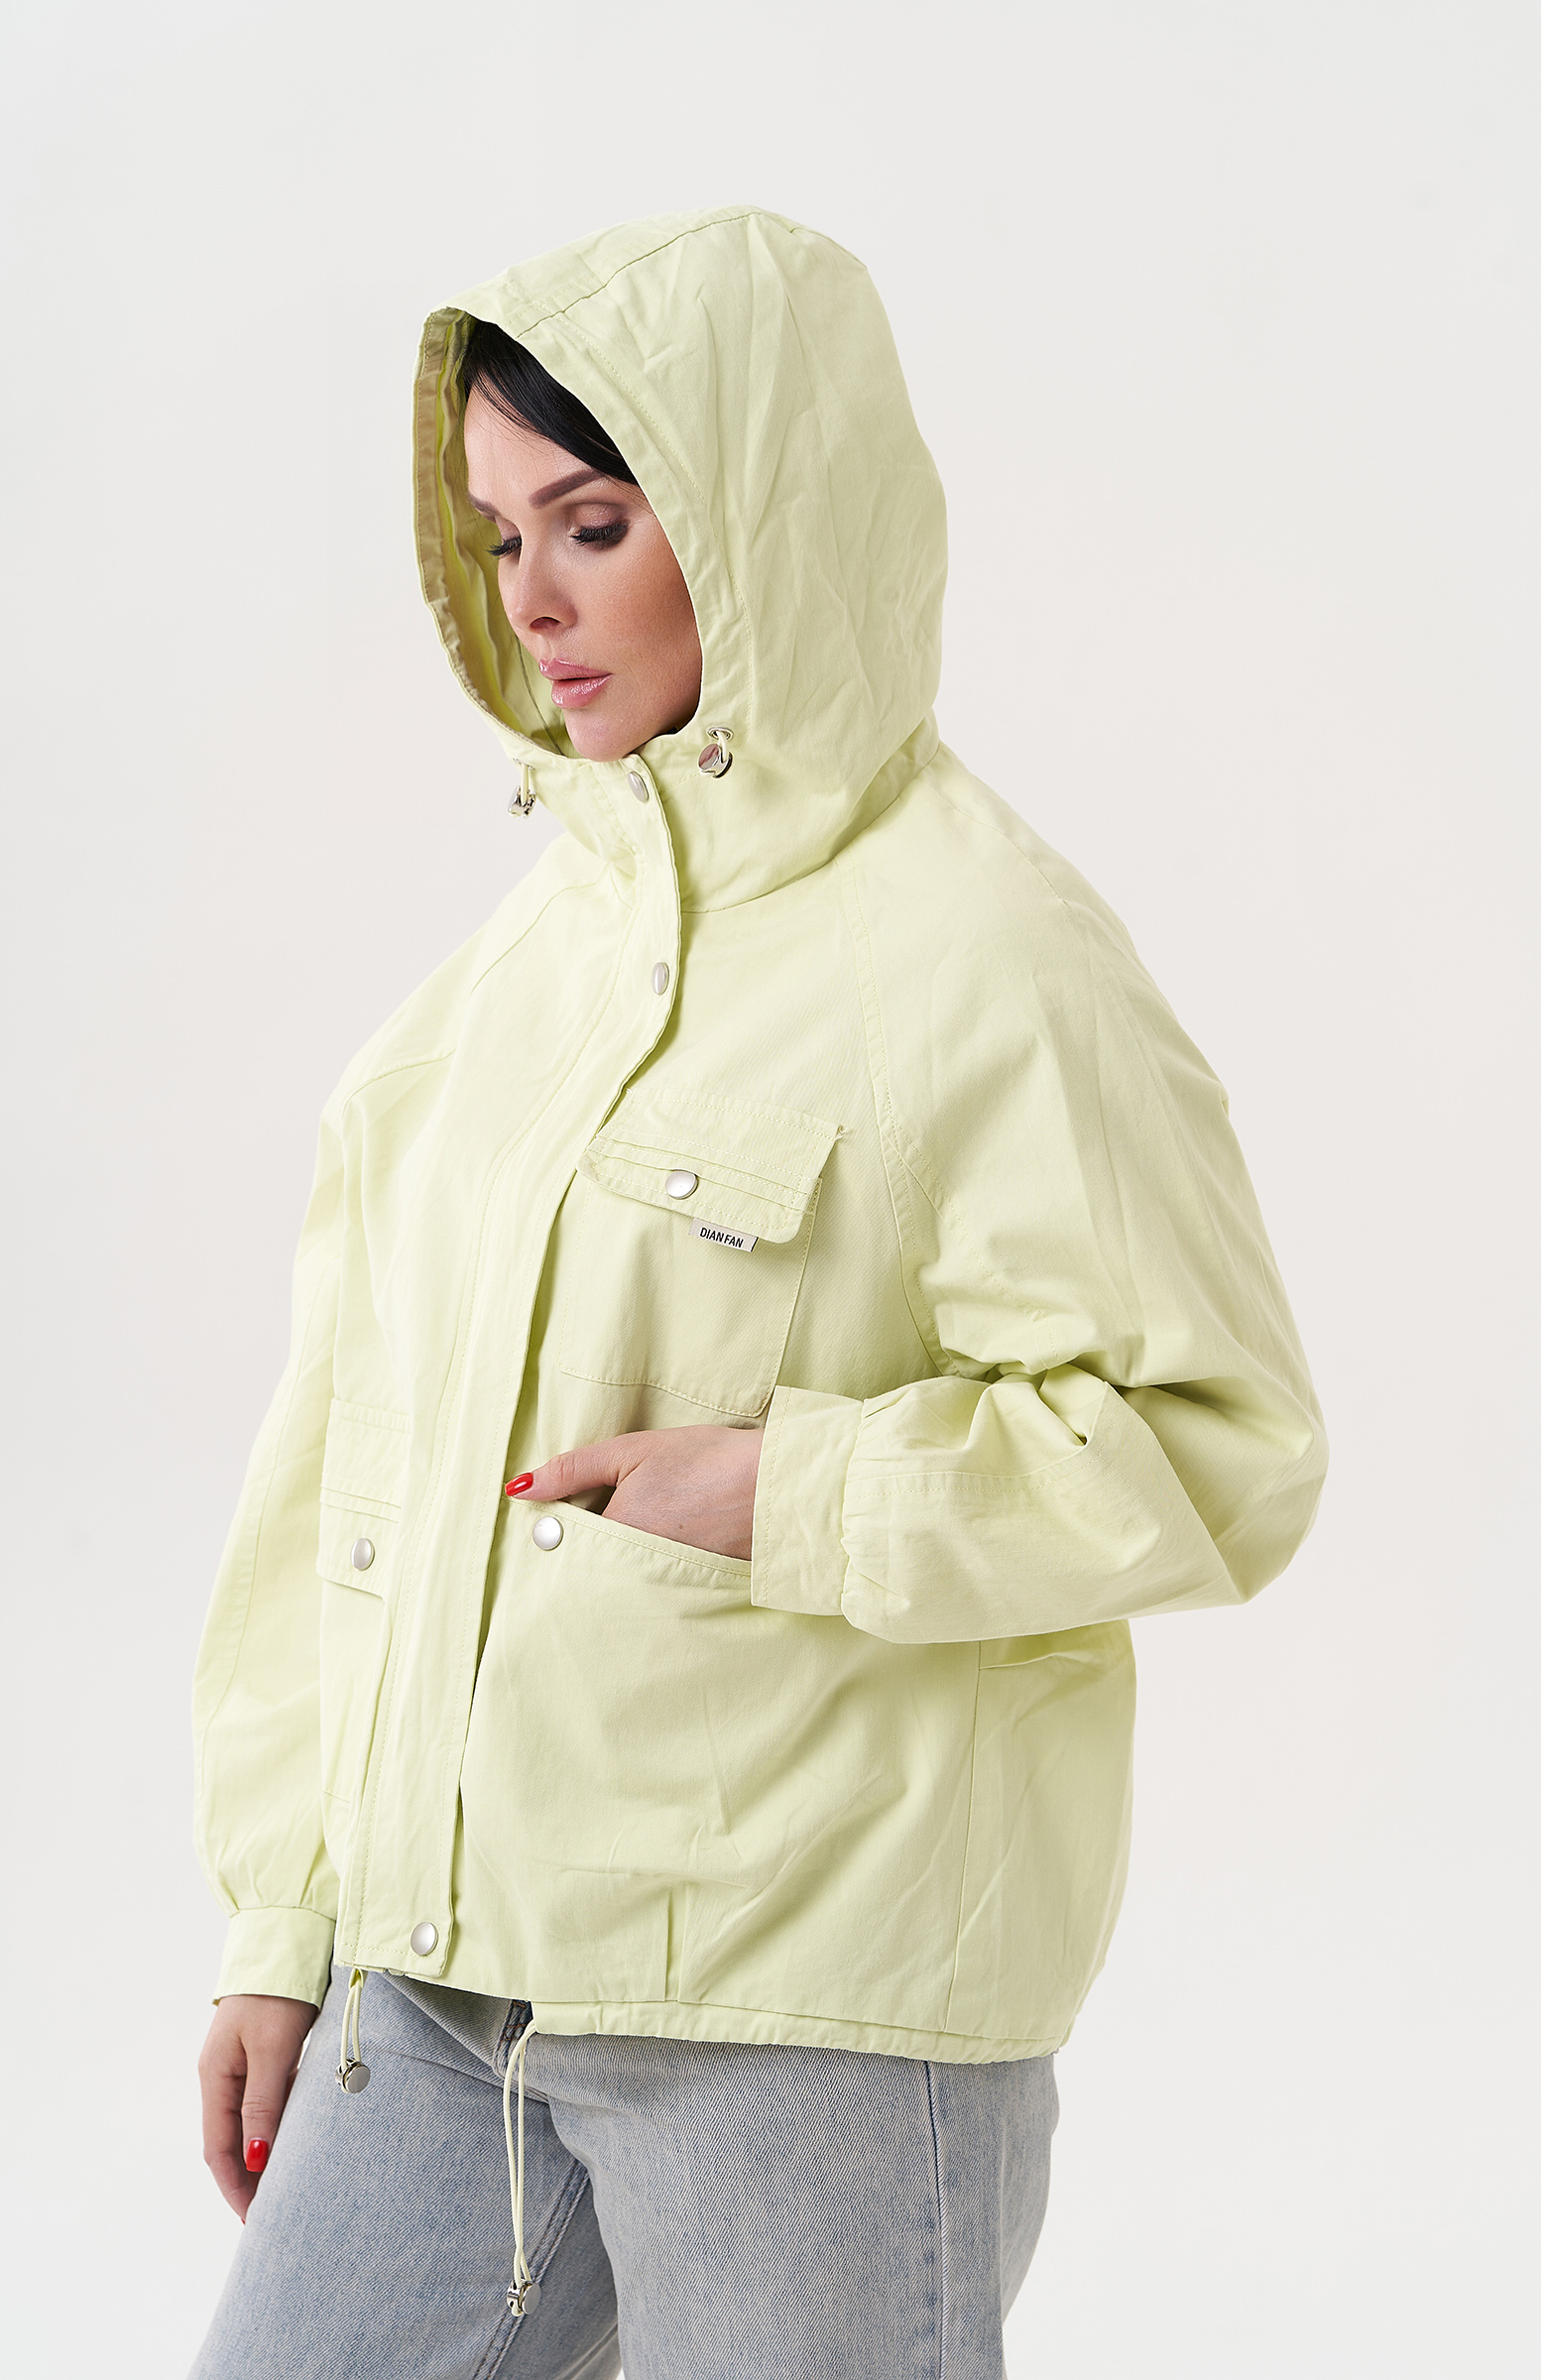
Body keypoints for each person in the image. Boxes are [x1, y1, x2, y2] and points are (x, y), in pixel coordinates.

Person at [188, 204, 1327, 2380]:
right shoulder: (515, 975)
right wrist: (284, 1914)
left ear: (756, 518)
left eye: (593, 523)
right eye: (498, 536)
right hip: (438, 1998)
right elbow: (342, 1460)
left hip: (812, 2023)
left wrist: (794, 1493)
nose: (532, 599)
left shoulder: (990, 958)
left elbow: (1222, 1451)